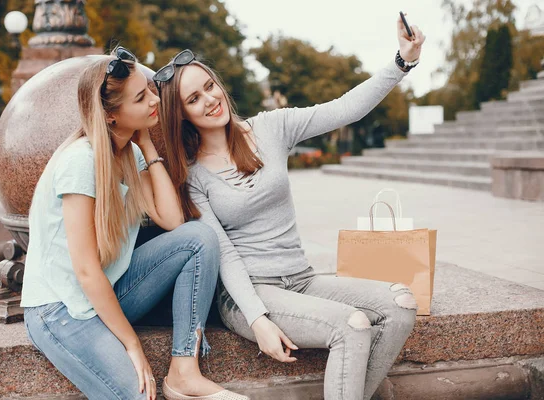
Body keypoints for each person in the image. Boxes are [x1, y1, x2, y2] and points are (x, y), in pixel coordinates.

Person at [155, 15, 425, 400]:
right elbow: (224, 252)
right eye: (193, 99)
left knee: (401, 303)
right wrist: (258, 319)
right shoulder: (193, 174)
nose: (210, 100)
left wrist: (402, 62)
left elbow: (345, 108)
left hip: (300, 278)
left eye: (209, 87)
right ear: (181, 114)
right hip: (248, 293)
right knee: (352, 325)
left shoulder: (271, 128)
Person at [21, 47, 248, 400]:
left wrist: (145, 141)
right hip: (61, 309)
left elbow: (173, 220)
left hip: (108, 290)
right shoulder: (81, 161)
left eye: (150, 90)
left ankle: (185, 370)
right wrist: (132, 346)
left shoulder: (130, 151)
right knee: (140, 394)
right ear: (112, 116)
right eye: (142, 97)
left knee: (198, 237)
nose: (155, 100)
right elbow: (85, 271)